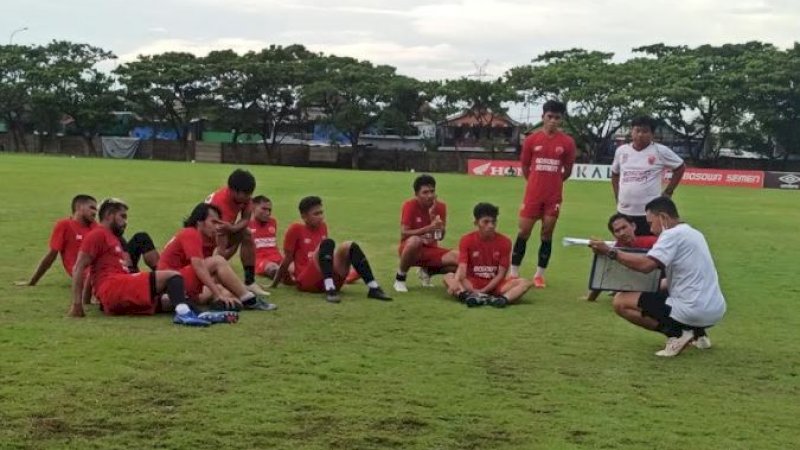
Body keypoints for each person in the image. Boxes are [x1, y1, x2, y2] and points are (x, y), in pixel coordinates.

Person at [589, 197, 726, 357]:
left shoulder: (671, 235)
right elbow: (677, 279)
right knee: (660, 290)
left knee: (621, 302)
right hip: (715, 310)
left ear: (663, 218)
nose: (651, 229)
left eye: (650, 223)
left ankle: (677, 334)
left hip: (694, 311)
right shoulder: (694, 233)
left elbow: (645, 266)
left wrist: (610, 251)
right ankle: (699, 335)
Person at [69, 198, 228, 327]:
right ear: (110, 215)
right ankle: (185, 314)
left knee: (168, 300)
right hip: (114, 287)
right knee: (173, 276)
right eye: (122, 217)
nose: (126, 222)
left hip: (117, 292)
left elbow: (92, 271)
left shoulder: (113, 239)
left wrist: (86, 300)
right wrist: (77, 305)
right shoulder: (97, 235)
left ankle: (199, 313)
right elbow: (80, 267)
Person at [271, 196, 392, 303]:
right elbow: (287, 259)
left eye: (321, 213)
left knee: (349, 245)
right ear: (304, 216)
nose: (321, 217)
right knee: (327, 243)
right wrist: (275, 283)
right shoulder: (295, 229)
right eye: (316, 214)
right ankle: (330, 289)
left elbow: (327, 256)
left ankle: (373, 287)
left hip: (327, 277)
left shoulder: (323, 227)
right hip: (307, 281)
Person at [158, 203, 277, 311]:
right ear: (200, 222)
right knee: (218, 265)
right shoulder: (190, 233)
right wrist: (217, 293)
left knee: (229, 290)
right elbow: (200, 267)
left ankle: (221, 301)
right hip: (171, 282)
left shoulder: (199, 236)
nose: (216, 227)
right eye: (213, 222)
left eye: (218, 222)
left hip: (177, 283)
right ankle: (249, 299)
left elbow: (215, 269)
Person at [510, 100, 576, 288]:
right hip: (533, 195)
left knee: (547, 234)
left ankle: (539, 275)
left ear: (561, 120)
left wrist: (553, 183)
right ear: (543, 117)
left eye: (557, 118)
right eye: (550, 117)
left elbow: (568, 170)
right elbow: (525, 166)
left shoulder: (568, 142)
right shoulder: (531, 140)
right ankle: (514, 271)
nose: (553, 121)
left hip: (553, 197)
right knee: (523, 231)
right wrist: (535, 183)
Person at [443, 203, 532, 307]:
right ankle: (468, 296)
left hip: (496, 285)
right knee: (448, 277)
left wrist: (484, 290)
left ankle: (500, 300)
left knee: (525, 283)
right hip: (471, 284)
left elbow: (501, 274)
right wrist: (456, 281)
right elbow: (462, 266)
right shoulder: (466, 240)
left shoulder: (505, 242)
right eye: (486, 222)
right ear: (476, 222)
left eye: (493, 222)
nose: (491, 225)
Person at [611, 116, 685, 236]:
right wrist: (617, 196)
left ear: (652, 134)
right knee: (626, 245)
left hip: (649, 214)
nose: (640, 135)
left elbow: (680, 167)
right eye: (637, 131)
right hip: (624, 211)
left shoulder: (660, 151)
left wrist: (668, 192)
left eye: (645, 131)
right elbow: (615, 174)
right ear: (631, 131)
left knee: (650, 248)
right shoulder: (621, 151)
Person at [205, 168, 268, 296]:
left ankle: (249, 282)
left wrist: (233, 228)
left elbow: (245, 218)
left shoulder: (243, 197)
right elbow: (220, 242)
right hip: (205, 241)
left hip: (222, 232)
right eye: (245, 194)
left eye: (250, 194)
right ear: (233, 190)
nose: (249, 198)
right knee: (219, 258)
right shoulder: (221, 204)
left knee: (247, 234)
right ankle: (216, 278)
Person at [393, 174, 458, 293]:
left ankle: (428, 271)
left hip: (431, 250)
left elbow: (440, 237)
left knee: (460, 259)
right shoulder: (410, 205)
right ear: (416, 194)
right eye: (425, 192)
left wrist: (439, 225)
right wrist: (429, 227)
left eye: (432, 191)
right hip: (411, 250)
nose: (430, 195)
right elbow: (404, 233)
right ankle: (400, 278)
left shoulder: (440, 207)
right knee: (415, 240)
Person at [17, 194, 97, 286]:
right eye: (91, 208)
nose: (94, 212)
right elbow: (51, 256)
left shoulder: (96, 227)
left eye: (95, 209)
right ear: (78, 207)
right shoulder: (65, 225)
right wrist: (32, 282)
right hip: (87, 273)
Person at [584, 213, 658, 301]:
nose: (622, 233)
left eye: (624, 227)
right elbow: (605, 272)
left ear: (633, 226)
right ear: (614, 235)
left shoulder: (653, 242)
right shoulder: (615, 249)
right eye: (617, 231)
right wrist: (591, 298)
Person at [249, 195, 283, 279]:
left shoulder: (273, 222)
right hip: (260, 259)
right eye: (264, 209)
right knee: (272, 268)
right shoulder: (247, 225)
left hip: (277, 257)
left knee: (293, 266)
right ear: (253, 207)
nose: (267, 213)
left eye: (269, 210)